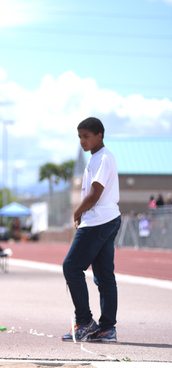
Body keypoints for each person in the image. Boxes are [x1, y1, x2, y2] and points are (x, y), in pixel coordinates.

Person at [62, 117, 121, 343]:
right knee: (105, 276)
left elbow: (95, 194)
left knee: (71, 267)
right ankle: (107, 329)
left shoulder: (104, 158)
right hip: (107, 219)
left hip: (98, 220)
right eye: (79, 137)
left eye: (86, 136)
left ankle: (85, 322)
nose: (82, 141)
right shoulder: (97, 158)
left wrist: (77, 212)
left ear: (100, 136)